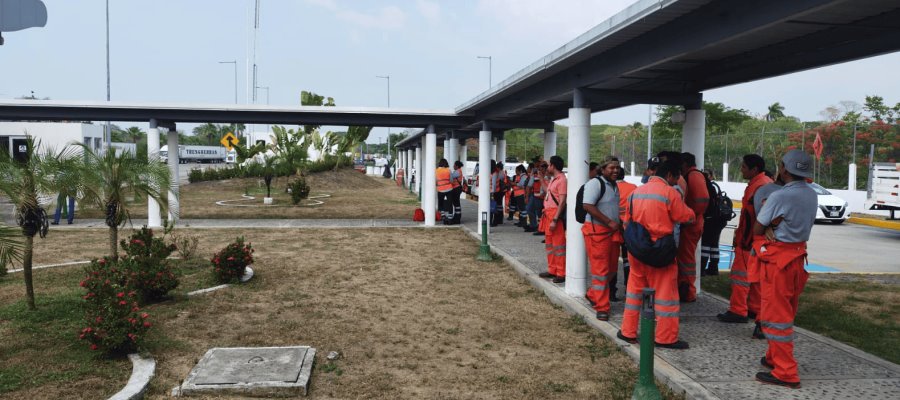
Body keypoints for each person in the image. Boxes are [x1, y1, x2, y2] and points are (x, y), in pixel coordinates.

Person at [753, 149, 817, 389]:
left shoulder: (780, 196)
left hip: (778, 260)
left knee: (775, 318)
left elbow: (758, 229)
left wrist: (768, 227)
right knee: (786, 311)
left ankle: (786, 372)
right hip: (798, 258)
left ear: (783, 169)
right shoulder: (811, 194)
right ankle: (772, 358)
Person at [618, 160, 695, 349]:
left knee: (634, 291)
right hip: (660, 251)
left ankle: (627, 331)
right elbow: (685, 216)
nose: (676, 182)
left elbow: (627, 222)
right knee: (665, 295)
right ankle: (665, 337)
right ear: (669, 175)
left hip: (637, 250)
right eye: (676, 178)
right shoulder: (670, 193)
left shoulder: (635, 193)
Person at [718, 154, 772, 323]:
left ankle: (738, 310)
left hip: (750, 242)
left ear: (754, 169)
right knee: (755, 278)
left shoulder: (761, 187)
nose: (741, 169)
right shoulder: (760, 185)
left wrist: (746, 239)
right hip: (752, 240)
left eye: (743, 167)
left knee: (740, 276)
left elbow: (760, 218)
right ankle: (754, 309)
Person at [582, 157, 621, 321]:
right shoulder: (595, 184)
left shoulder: (614, 185)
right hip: (597, 233)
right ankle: (602, 307)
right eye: (612, 168)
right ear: (603, 168)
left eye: (617, 168)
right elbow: (587, 205)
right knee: (600, 272)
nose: (615, 171)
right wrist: (609, 221)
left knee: (612, 270)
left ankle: (593, 294)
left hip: (612, 233)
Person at [676, 152, 709, 302]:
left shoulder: (693, 176)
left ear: (684, 164)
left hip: (691, 224)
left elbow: (701, 201)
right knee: (685, 258)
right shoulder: (695, 175)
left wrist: (689, 217)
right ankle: (685, 288)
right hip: (693, 222)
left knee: (687, 259)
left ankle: (688, 291)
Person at [538, 155, 567, 283]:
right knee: (550, 245)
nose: (548, 167)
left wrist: (555, 219)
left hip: (554, 216)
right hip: (548, 215)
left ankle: (561, 273)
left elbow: (562, 201)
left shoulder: (561, 180)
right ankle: (552, 270)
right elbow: (547, 192)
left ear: (553, 166)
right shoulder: (554, 180)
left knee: (558, 246)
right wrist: (541, 178)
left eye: (549, 165)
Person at [610, 166, 637, 302]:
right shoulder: (633, 187)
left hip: (613, 228)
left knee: (612, 260)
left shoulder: (610, 188)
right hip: (628, 228)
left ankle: (611, 292)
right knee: (629, 261)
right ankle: (629, 289)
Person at [699, 169, 728, 276]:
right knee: (714, 245)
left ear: (711, 176)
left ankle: (702, 268)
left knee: (705, 244)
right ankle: (713, 268)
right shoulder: (715, 186)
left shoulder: (709, 186)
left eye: (706, 174)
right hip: (718, 220)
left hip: (712, 220)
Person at [528, 162, 547, 235]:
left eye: (541, 166)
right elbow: (530, 184)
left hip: (543, 198)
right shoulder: (536, 175)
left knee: (541, 214)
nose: (539, 168)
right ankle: (538, 227)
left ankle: (541, 229)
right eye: (539, 167)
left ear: (545, 168)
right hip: (536, 197)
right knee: (536, 212)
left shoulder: (546, 176)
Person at [449, 160, 464, 224]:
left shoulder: (457, 172)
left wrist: (448, 172)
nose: (453, 166)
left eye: (454, 165)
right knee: (456, 203)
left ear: (457, 166)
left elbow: (451, 176)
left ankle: (457, 218)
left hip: (456, 188)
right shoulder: (459, 171)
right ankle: (457, 217)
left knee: (456, 203)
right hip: (457, 188)